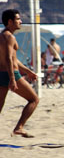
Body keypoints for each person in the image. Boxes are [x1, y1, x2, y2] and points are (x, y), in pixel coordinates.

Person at [0, 9, 39, 138]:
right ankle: (19, 127)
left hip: (1, 73)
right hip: (10, 74)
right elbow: (9, 59)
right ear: (10, 21)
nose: (20, 21)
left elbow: (14, 59)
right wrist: (12, 78)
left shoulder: (2, 35)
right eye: (18, 19)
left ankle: (19, 128)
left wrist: (28, 71)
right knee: (34, 99)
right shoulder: (10, 37)